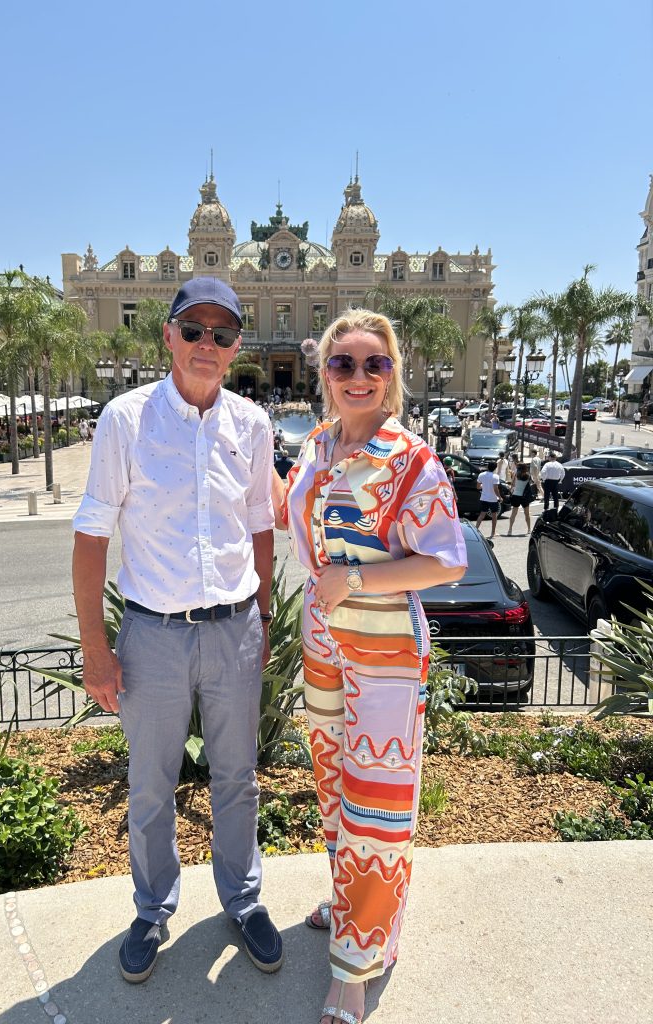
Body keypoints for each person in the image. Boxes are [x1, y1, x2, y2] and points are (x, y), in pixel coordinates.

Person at [72, 277, 282, 984]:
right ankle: (153, 909)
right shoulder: (125, 420)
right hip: (153, 635)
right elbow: (92, 537)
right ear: (168, 336)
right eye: (194, 330)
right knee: (151, 785)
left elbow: (260, 521)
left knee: (237, 779)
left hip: (233, 631)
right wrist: (95, 652)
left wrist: (264, 611)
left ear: (235, 349)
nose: (206, 345)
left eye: (222, 335)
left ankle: (243, 901)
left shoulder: (253, 426)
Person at [271, 308, 466, 1024]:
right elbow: (297, 518)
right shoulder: (318, 447)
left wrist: (352, 582)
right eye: (343, 363)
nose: (358, 376)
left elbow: (447, 560)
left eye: (372, 364)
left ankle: (355, 968)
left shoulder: (411, 459)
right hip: (324, 650)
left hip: (384, 659)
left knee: (377, 809)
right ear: (324, 375)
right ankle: (354, 905)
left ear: (392, 378)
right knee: (333, 791)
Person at [475, 459, 502, 538]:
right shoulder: (495, 476)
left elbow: (478, 487)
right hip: (493, 499)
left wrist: (483, 486)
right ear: (495, 468)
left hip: (483, 498)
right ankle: (493, 533)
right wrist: (500, 497)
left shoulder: (481, 475)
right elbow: (496, 488)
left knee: (482, 515)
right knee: (494, 515)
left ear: (487, 466)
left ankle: (476, 530)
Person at [507, 463, 535, 535]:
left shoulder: (516, 475)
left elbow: (512, 484)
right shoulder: (528, 475)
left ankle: (510, 530)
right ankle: (529, 529)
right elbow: (531, 482)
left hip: (516, 495)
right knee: (527, 513)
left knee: (513, 513)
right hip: (524, 496)